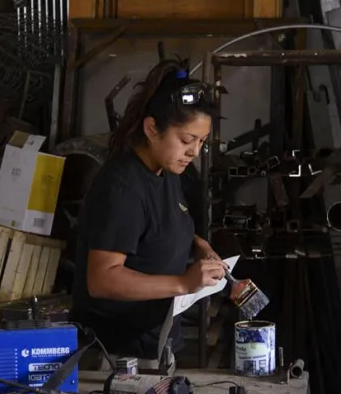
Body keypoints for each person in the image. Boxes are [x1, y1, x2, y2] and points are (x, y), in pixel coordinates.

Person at [70, 60, 227, 370]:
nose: (194, 152)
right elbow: (102, 279)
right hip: (116, 354)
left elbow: (158, 224)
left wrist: (197, 245)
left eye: (201, 142)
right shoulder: (123, 188)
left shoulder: (166, 171)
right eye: (186, 140)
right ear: (152, 128)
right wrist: (183, 283)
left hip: (155, 343)